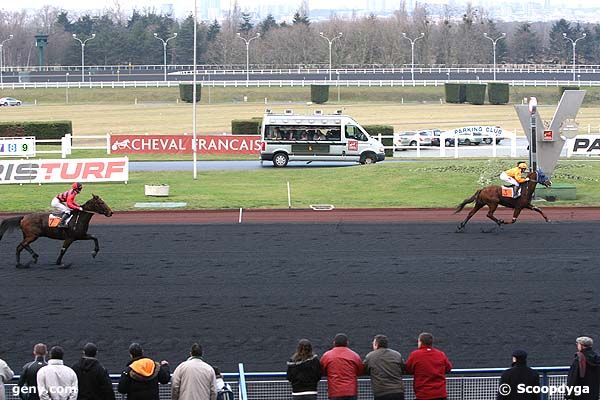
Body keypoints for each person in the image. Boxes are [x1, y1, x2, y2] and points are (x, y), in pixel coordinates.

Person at [404, 332, 452, 400]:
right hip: (440, 394)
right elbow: (448, 368)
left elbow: (408, 369)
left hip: (423, 394)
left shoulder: (415, 355)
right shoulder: (440, 354)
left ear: (420, 342)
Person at [320, 333, 363, 400]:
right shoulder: (354, 355)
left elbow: (322, 370)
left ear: (334, 343)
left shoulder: (327, 356)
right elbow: (360, 371)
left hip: (334, 392)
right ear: (347, 343)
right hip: (351, 391)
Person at [363, 335, 405, 400]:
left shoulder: (370, 356)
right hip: (398, 391)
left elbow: (364, 369)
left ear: (376, 344)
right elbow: (403, 369)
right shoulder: (397, 354)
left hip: (381, 392)